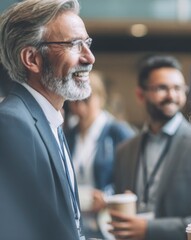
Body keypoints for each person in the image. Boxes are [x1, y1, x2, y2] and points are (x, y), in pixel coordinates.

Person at [0, 0, 95, 239]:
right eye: (75, 45)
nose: (90, 57)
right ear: (32, 58)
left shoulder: (46, 118)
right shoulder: (12, 124)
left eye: (87, 43)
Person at [110, 55, 191, 240]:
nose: (171, 96)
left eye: (178, 88)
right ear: (140, 94)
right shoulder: (125, 150)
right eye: (162, 88)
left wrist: (150, 229)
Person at [66, 70, 135, 238]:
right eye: (74, 101)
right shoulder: (69, 134)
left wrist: (107, 197)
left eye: (86, 100)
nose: (79, 107)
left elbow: (132, 179)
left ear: (100, 98)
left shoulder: (118, 132)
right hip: (78, 217)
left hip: (107, 219)